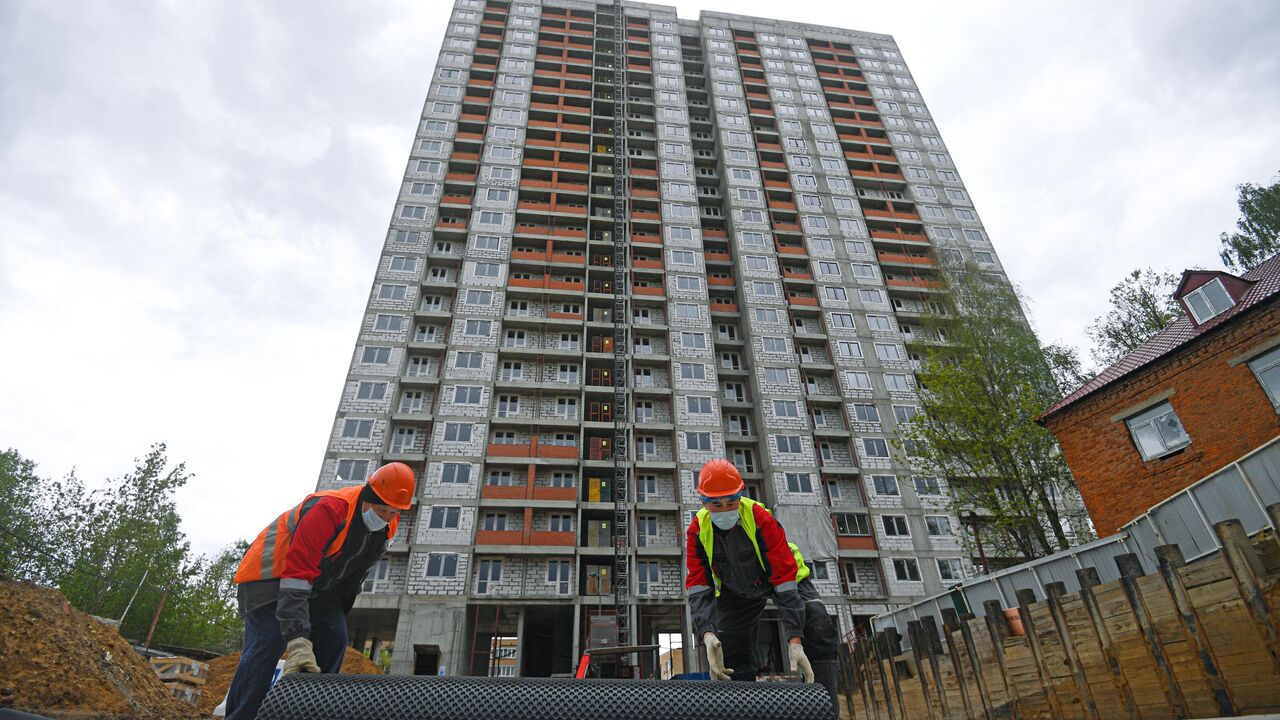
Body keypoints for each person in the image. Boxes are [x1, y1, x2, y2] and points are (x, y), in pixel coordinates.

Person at [223, 462, 416, 720]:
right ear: (368, 496)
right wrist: (298, 638)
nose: (386, 518)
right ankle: (240, 716)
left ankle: (308, 713)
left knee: (334, 640)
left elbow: (352, 579)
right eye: (382, 509)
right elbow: (297, 574)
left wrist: (331, 620)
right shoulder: (329, 509)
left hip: (319, 589)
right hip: (270, 579)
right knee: (268, 644)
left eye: (393, 513)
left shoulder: (386, 527)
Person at [685, 459, 840, 715]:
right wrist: (708, 634)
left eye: (731, 502)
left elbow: (783, 580)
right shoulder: (697, 531)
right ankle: (742, 710)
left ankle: (824, 709)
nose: (725, 509)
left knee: (818, 623)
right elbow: (699, 587)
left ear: (740, 495)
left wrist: (795, 641)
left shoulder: (759, 518)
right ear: (703, 502)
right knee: (731, 649)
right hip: (736, 591)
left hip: (785, 578)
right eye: (716, 503)